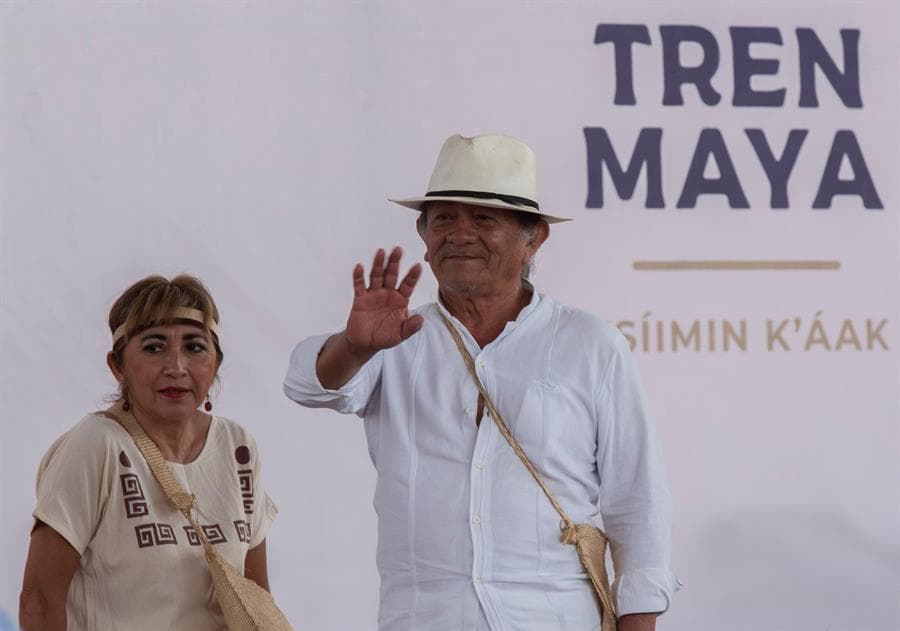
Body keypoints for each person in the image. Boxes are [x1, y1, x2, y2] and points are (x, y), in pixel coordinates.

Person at [283, 133, 678, 630]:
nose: (459, 233)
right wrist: (355, 347)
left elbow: (638, 501)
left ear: (533, 237)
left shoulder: (590, 343)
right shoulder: (393, 340)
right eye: (444, 218)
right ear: (423, 235)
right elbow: (307, 385)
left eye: (484, 218)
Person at [20, 275, 278, 631]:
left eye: (195, 347)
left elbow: (256, 597)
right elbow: (40, 599)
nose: (176, 367)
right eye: (153, 347)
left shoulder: (237, 447)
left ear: (216, 362)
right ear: (118, 365)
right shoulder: (97, 445)